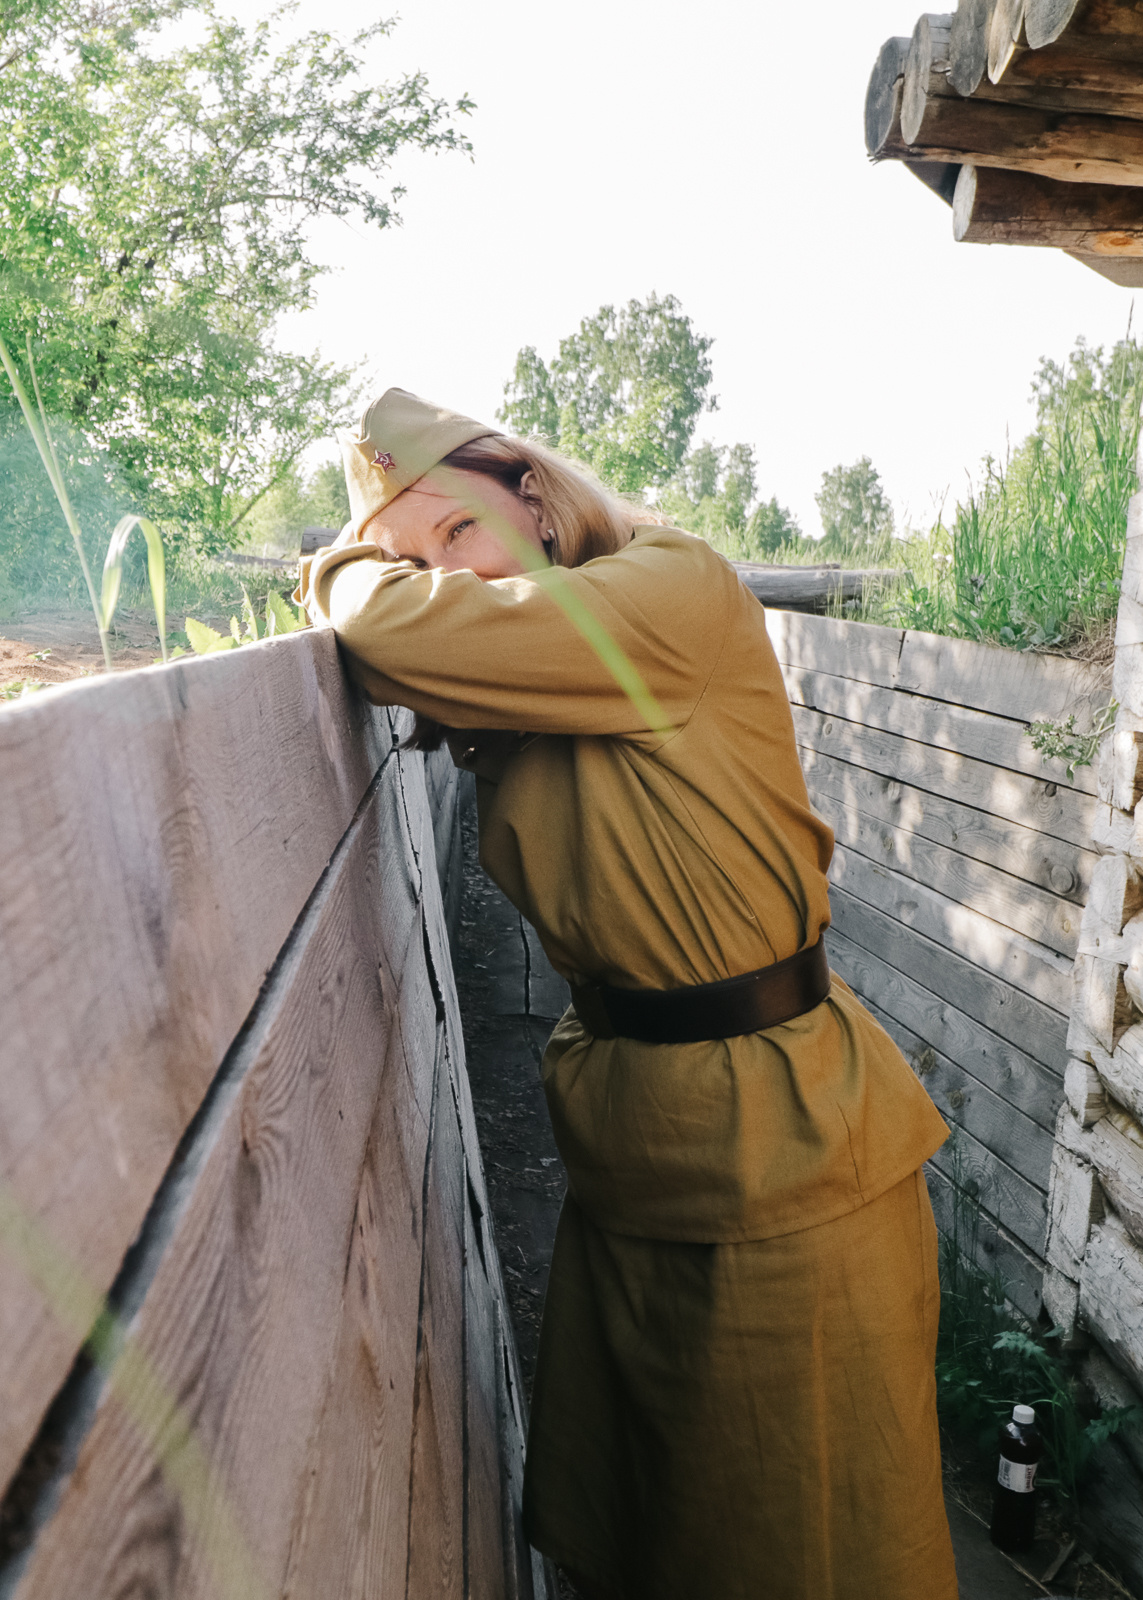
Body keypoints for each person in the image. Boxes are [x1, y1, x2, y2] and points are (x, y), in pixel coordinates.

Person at [296, 389, 958, 1600]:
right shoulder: (533, 666)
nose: (447, 576)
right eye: (411, 557)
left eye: (457, 535)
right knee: (665, 1533)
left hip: (781, 1154)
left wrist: (343, 569)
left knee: (804, 1546)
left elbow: (396, 632)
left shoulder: (674, 590)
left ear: (535, 497)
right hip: (641, 1143)